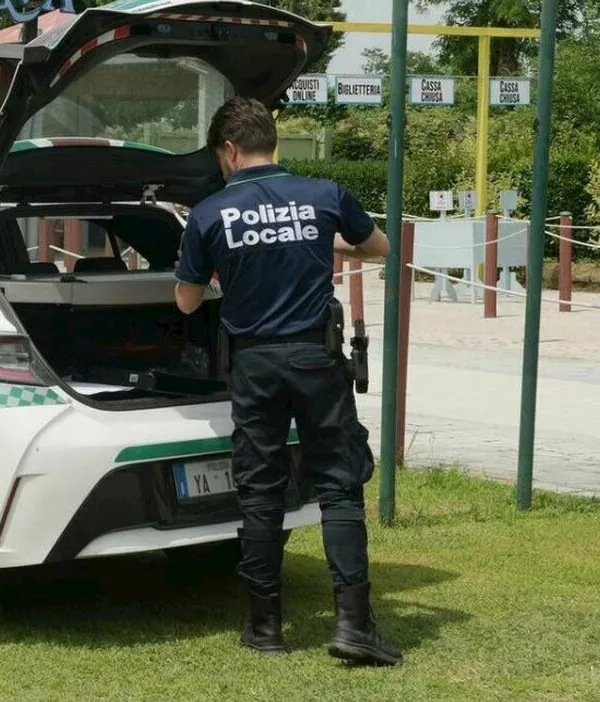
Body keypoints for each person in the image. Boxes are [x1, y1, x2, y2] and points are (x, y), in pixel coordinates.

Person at [172, 96, 400, 666]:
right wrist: (311, 239)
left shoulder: (208, 213)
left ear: (229, 151)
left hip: (254, 366)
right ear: (271, 141)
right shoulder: (324, 195)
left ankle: (265, 628)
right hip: (317, 361)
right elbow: (379, 247)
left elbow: (185, 301)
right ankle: (354, 626)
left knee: (261, 490)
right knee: (338, 486)